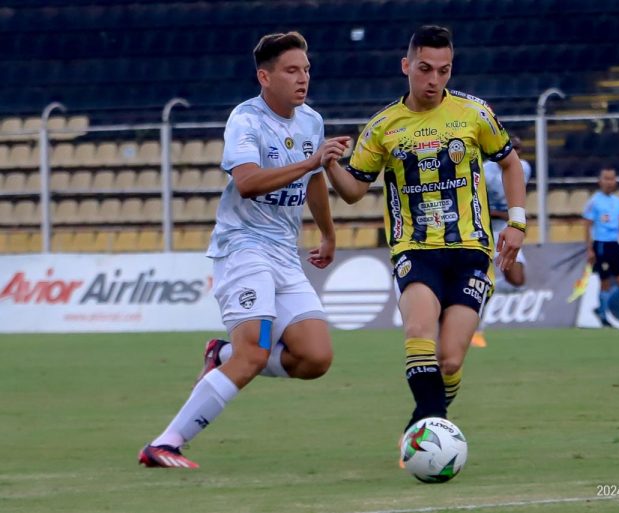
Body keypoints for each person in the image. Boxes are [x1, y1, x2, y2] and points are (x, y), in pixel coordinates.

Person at [138, 31, 350, 468]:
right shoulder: (245, 120)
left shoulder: (311, 120)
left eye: (306, 70)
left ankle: (223, 355)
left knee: (315, 357)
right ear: (264, 76)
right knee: (256, 350)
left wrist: (327, 233)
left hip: (283, 253)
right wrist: (311, 162)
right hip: (243, 246)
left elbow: (314, 182)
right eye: (292, 70)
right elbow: (248, 183)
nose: (302, 78)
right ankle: (164, 443)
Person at [322, 26, 527, 435]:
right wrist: (329, 165)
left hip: (471, 250)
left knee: (450, 361)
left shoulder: (474, 113)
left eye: (444, 71)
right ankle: (430, 430)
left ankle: (426, 424)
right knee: (419, 334)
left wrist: (518, 221)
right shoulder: (382, 126)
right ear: (406, 66)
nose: (434, 80)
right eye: (425, 69)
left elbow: (510, 163)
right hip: (414, 250)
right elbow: (353, 193)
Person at [471, 135, 532, 348]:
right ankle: (476, 330)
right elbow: (476, 206)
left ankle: (489, 287)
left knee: (517, 280)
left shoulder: (524, 167)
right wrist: (502, 215)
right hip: (486, 231)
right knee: (482, 280)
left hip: (509, 230)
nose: (516, 153)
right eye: (513, 148)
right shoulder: (485, 172)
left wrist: (517, 219)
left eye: (519, 149)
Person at [583, 166, 619, 328]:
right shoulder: (594, 201)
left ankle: (601, 308)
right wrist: (589, 249)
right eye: (606, 178)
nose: (609, 182)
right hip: (601, 245)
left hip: (615, 244)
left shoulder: (617, 201)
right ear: (600, 181)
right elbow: (587, 225)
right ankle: (604, 317)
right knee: (604, 281)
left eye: (612, 179)